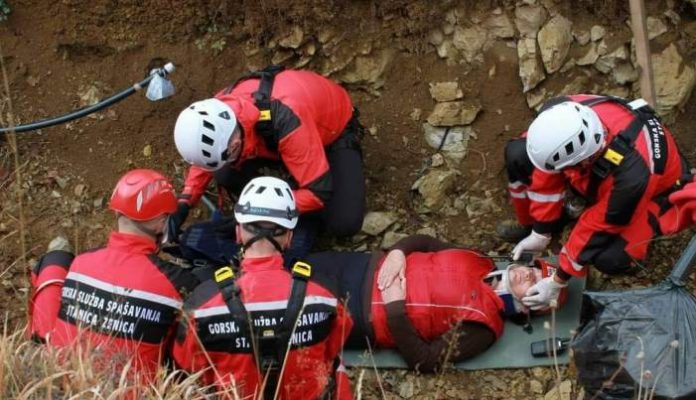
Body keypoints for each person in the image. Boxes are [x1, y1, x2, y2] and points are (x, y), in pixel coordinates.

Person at [498, 94, 691, 310]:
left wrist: (558, 280)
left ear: (585, 159)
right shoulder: (560, 111)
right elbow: (547, 171)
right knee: (517, 153)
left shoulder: (632, 177)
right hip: (606, 173)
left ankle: (633, 259)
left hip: (654, 193)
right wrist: (540, 231)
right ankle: (538, 224)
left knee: (612, 258)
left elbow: (597, 226)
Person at [172, 176, 353, 400]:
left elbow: (188, 371)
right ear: (289, 237)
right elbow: (336, 344)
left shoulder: (200, 307)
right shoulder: (325, 297)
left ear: (238, 233)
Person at [170, 66, 366, 261]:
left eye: (228, 155)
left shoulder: (285, 118)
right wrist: (184, 202)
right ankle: (287, 190)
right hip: (275, 134)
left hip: (332, 131)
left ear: (235, 144)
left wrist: (257, 212)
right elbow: (204, 159)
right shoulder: (217, 110)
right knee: (225, 174)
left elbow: (319, 191)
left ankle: (304, 215)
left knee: (344, 221)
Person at [306, 234, 566, 372]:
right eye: (531, 269)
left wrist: (395, 307)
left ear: (530, 304)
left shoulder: (483, 328)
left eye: (532, 281)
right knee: (285, 266)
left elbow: (426, 361)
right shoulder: (478, 260)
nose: (525, 272)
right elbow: (426, 242)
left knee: (282, 302)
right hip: (361, 265)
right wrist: (398, 252)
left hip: (359, 312)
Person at [40, 169, 198, 384]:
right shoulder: (178, 283)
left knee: (54, 261)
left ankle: (36, 339)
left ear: (116, 212)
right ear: (161, 223)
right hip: (133, 393)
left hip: (59, 386)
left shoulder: (80, 263)